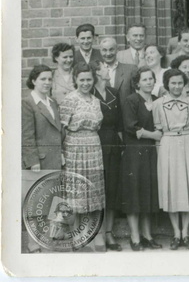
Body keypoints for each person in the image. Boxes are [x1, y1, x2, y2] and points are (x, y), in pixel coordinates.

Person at [152, 69, 189, 250]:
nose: (177, 86)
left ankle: (186, 232)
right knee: (171, 187)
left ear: (185, 84)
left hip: (187, 142)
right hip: (168, 144)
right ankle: (176, 233)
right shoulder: (158, 104)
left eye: (180, 83)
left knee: (187, 187)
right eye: (173, 83)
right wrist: (160, 153)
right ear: (167, 84)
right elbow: (158, 130)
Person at [59, 62, 105, 249]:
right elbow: (62, 128)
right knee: (75, 190)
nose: (86, 83)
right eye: (82, 79)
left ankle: (89, 235)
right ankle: (74, 236)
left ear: (93, 80)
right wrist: (62, 152)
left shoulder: (95, 100)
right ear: (75, 80)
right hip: (74, 148)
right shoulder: (70, 99)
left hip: (93, 146)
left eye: (89, 79)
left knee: (91, 190)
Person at [120, 67, 161, 251]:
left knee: (148, 193)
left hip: (151, 153)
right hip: (135, 153)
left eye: (151, 79)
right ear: (137, 83)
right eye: (145, 79)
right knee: (134, 194)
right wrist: (155, 135)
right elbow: (131, 127)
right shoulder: (131, 101)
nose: (149, 82)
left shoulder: (157, 101)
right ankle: (135, 237)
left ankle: (147, 235)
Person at [22, 65, 62, 253]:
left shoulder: (52, 102)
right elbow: (27, 135)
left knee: (51, 202)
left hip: (54, 159)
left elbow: (56, 131)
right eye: (43, 79)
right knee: (36, 203)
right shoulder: (28, 103)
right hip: (39, 162)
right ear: (33, 81)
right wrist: (32, 160)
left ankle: (47, 243)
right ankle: (33, 244)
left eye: (49, 79)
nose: (47, 82)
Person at [90, 60, 124, 251]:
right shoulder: (90, 94)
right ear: (97, 71)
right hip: (96, 142)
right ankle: (98, 233)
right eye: (104, 67)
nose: (108, 70)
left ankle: (109, 233)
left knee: (112, 188)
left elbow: (119, 123)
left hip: (113, 143)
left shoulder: (113, 92)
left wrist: (121, 145)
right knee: (97, 189)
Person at [99, 37, 137, 103]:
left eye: (111, 49)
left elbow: (136, 96)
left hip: (126, 112)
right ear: (100, 51)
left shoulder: (131, 69)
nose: (108, 54)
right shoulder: (96, 72)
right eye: (104, 50)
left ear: (117, 49)